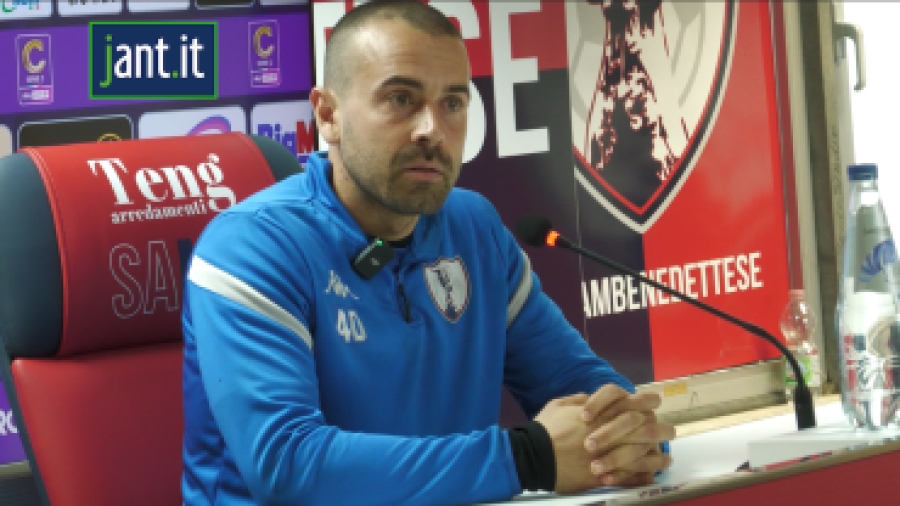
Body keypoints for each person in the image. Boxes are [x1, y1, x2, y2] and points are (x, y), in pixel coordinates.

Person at [181, 1, 674, 504]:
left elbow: (583, 387)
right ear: (328, 115)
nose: (432, 130)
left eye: (453, 104)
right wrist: (526, 457)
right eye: (401, 99)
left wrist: (631, 437)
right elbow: (287, 464)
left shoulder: (475, 229)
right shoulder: (252, 246)